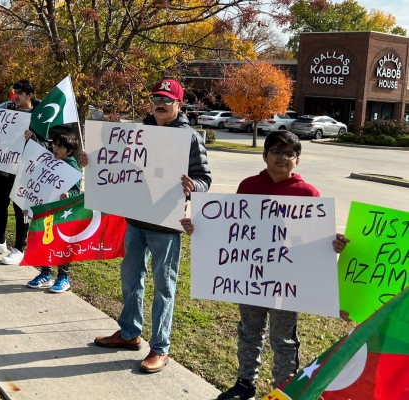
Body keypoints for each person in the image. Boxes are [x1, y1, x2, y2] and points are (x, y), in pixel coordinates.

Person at [179, 130, 350, 400]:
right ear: (265, 155)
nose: (283, 157)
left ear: (298, 160)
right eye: (277, 152)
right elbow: (231, 229)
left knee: (283, 338)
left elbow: (316, 237)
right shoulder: (248, 186)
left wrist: (334, 243)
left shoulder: (308, 193)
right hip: (251, 277)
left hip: (287, 281)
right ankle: (245, 384)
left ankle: (284, 390)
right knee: (249, 330)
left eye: (290, 153)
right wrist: (199, 229)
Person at [89, 78, 212, 374]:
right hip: (135, 221)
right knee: (131, 279)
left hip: (165, 226)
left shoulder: (189, 138)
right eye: (157, 98)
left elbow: (205, 180)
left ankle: (160, 348)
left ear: (179, 104)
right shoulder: (137, 132)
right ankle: (130, 334)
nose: (160, 104)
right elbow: (116, 165)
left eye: (167, 100)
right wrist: (90, 161)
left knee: (164, 288)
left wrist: (193, 185)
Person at [0, 79, 41, 263]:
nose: (16, 97)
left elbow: (47, 144)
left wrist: (33, 138)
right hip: (4, 167)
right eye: (15, 93)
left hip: (24, 171)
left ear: (30, 96)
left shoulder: (39, 117)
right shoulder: (7, 111)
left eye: (20, 94)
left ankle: (20, 248)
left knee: (20, 209)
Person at [26, 131, 82, 293]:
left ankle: (63, 277)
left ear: (69, 151)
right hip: (48, 212)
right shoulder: (50, 161)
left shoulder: (72, 167)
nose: (55, 148)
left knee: (62, 245)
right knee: (46, 241)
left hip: (63, 215)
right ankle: (45, 273)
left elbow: (76, 192)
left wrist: (68, 195)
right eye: (55, 144)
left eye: (60, 146)